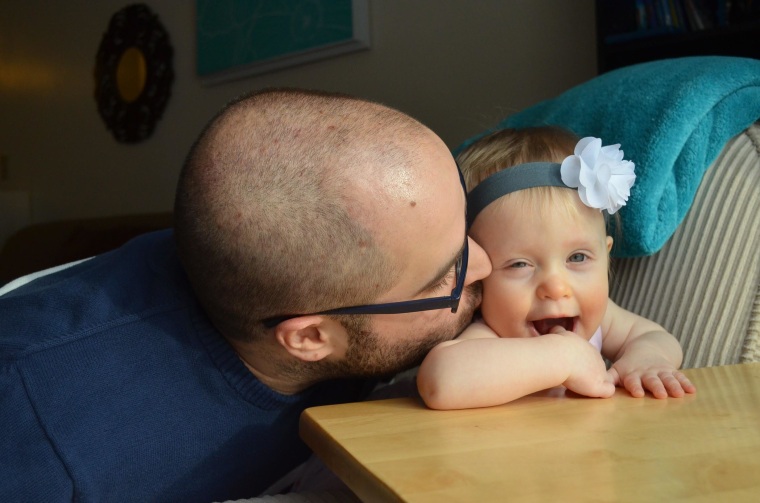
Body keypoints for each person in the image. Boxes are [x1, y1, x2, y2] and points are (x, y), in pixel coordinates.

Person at [0, 88, 491, 502]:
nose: (486, 264)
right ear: (311, 338)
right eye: (446, 277)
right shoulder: (37, 433)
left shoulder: (322, 276)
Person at [417, 126, 696, 410]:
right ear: (475, 278)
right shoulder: (490, 334)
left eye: (577, 258)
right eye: (519, 264)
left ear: (606, 255)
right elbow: (441, 382)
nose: (556, 288)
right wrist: (562, 357)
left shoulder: (601, 320)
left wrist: (647, 358)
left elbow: (655, 337)